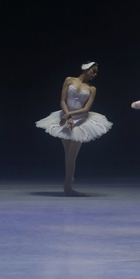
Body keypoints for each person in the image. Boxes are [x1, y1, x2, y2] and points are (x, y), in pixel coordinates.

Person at [36, 62, 112, 196]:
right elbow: (63, 101)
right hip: (64, 118)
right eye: (92, 71)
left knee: (72, 155)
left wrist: (70, 115)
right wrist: (67, 116)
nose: (94, 74)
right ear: (85, 69)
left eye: (96, 72)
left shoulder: (92, 88)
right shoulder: (69, 80)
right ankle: (68, 183)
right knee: (67, 154)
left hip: (81, 120)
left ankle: (68, 183)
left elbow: (86, 108)